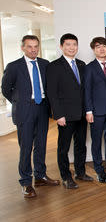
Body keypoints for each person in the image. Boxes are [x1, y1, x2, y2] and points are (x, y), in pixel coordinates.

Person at [1, 35, 60, 198]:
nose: (33, 49)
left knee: (41, 145)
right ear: (22, 48)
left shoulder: (44, 64)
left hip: (42, 109)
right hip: (25, 110)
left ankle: (40, 176)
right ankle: (26, 182)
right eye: (29, 47)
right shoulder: (14, 66)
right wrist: (20, 101)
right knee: (26, 147)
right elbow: (5, 89)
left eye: (35, 46)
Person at [46, 33, 93, 189]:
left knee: (81, 144)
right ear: (61, 46)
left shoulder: (81, 64)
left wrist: (88, 111)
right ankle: (66, 177)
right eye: (68, 44)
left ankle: (80, 172)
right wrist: (58, 114)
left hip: (80, 114)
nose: (71, 47)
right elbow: (52, 93)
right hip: (65, 115)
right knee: (63, 148)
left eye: (74, 44)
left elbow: (85, 91)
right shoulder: (54, 66)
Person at [84, 37, 106, 183]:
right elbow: (87, 91)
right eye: (98, 47)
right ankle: (99, 169)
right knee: (96, 141)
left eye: (104, 46)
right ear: (94, 49)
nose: (102, 49)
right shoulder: (89, 67)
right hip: (96, 111)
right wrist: (88, 111)